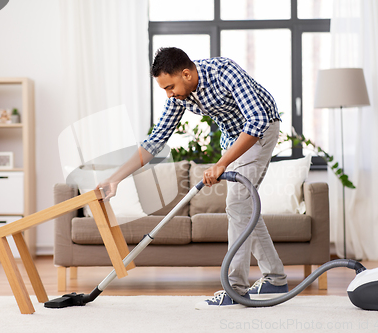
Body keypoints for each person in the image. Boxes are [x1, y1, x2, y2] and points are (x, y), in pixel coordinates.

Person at [97, 47, 288, 309]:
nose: (169, 94)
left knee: (237, 204)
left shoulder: (224, 72)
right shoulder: (180, 95)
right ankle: (276, 278)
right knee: (244, 207)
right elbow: (155, 141)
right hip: (233, 136)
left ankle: (235, 289)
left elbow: (256, 121)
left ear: (186, 74)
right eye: (164, 89)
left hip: (261, 130)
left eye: (170, 87)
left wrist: (221, 164)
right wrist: (116, 178)